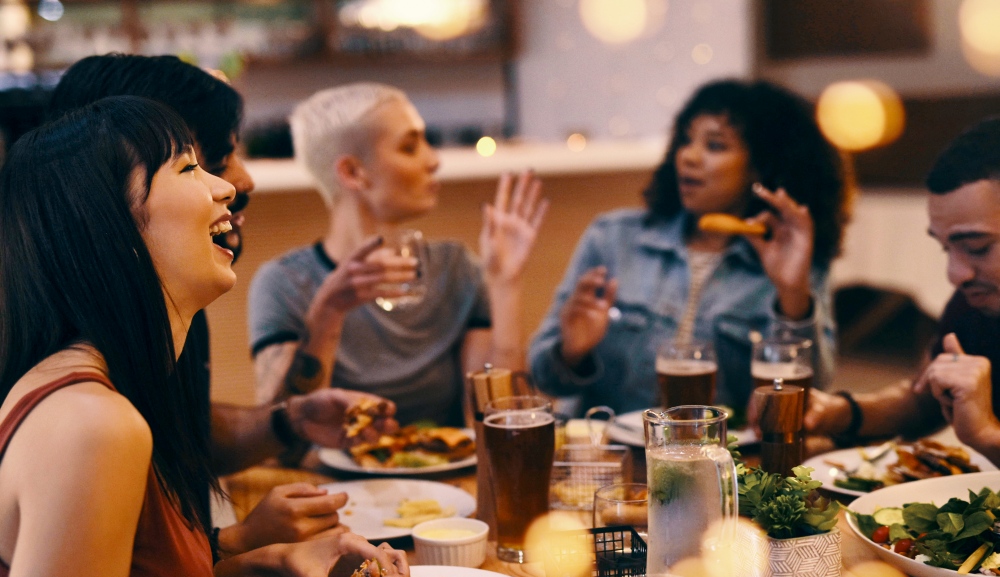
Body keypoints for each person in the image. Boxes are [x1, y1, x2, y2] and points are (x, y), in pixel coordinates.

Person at [0, 95, 408, 577]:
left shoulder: (97, 390)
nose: (226, 187)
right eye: (189, 167)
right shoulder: (94, 426)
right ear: (111, 223)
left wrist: (268, 564)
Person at [529, 79, 852, 415]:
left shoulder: (790, 256)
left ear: (761, 165)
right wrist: (572, 352)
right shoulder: (613, 238)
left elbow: (809, 400)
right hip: (609, 452)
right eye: (685, 141)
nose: (688, 156)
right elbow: (543, 377)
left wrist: (792, 294)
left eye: (714, 146)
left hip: (718, 458)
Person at [249, 83, 547, 426]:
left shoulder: (455, 268)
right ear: (352, 172)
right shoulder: (285, 283)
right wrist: (329, 310)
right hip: (329, 478)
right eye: (409, 146)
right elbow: (280, 438)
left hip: (443, 473)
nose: (434, 160)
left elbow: (499, 421)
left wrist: (505, 285)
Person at [805, 117, 1000, 464]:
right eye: (945, 248)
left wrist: (987, 435)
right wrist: (837, 411)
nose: (955, 275)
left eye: (977, 247)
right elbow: (923, 401)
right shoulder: (973, 305)